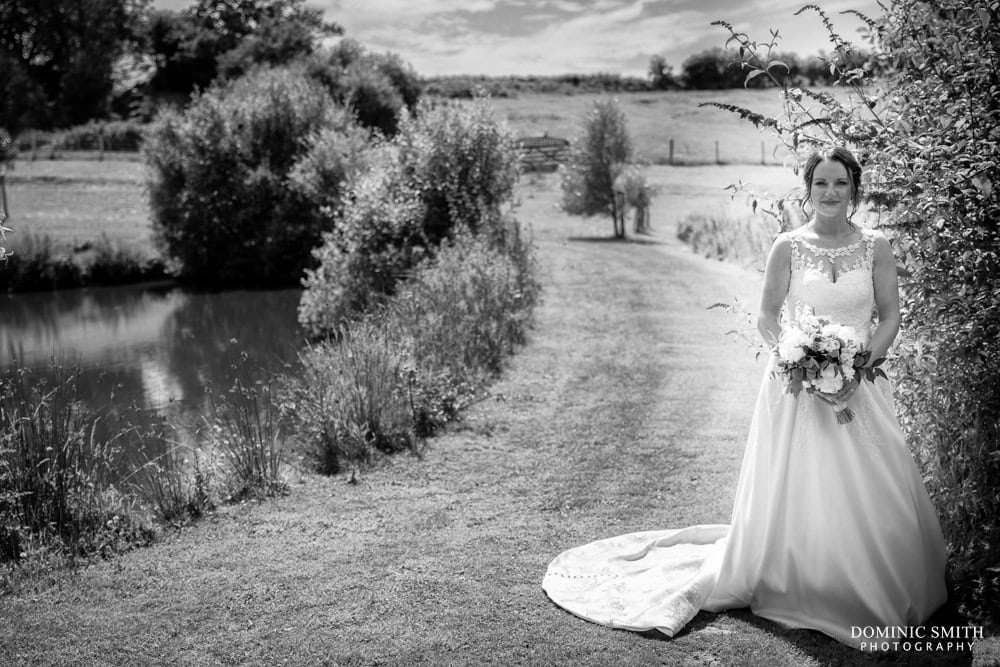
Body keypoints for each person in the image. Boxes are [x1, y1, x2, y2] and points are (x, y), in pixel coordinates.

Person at [541, 146, 948, 650]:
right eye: (821, 183)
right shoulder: (788, 246)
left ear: (854, 189)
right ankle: (799, 577)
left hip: (859, 388)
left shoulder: (875, 246)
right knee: (798, 485)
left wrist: (860, 364)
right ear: (808, 188)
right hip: (795, 391)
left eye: (840, 183)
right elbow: (767, 317)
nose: (830, 193)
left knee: (871, 485)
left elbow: (889, 318)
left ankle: (871, 580)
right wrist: (798, 358)